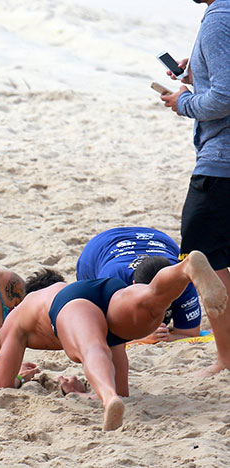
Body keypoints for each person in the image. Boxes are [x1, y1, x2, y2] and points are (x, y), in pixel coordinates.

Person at [0, 251, 227, 431]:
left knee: (92, 348)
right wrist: (88, 393)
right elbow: (124, 389)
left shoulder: (19, 316)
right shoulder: (58, 290)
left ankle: (106, 397)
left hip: (68, 302)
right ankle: (184, 269)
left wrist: (21, 378)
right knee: (151, 299)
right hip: (104, 288)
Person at [159, 0, 230, 375]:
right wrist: (198, 75)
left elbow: (224, 97)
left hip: (222, 163)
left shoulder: (219, 19)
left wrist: (184, 102)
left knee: (204, 258)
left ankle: (226, 358)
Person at [77, 227, 201, 342]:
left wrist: (167, 337)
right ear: (134, 285)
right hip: (99, 247)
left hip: (155, 238)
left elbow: (189, 333)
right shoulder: (112, 280)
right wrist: (141, 338)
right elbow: (98, 334)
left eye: (165, 298)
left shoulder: (182, 281)